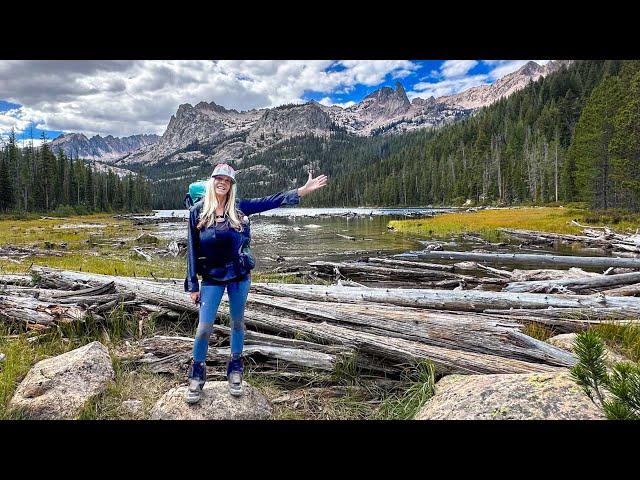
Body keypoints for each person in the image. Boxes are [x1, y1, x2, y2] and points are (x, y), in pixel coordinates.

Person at [183, 162, 327, 403]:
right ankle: (197, 374)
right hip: (211, 278)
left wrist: (302, 191)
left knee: (237, 323)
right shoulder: (197, 212)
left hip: (240, 275)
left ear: (231, 186)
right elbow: (192, 250)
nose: (222, 183)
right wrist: (192, 285)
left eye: (227, 181)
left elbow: (271, 201)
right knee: (204, 328)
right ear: (212, 181)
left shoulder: (239, 208)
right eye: (219, 178)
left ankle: (235, 369)